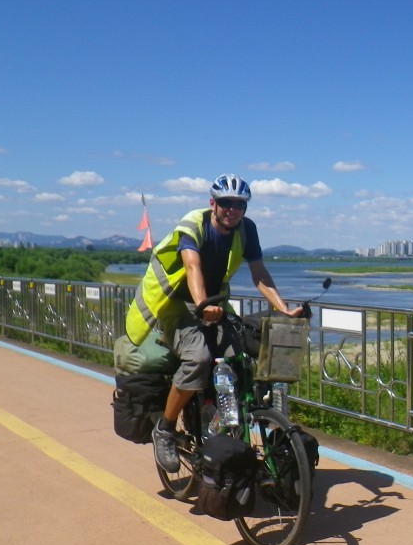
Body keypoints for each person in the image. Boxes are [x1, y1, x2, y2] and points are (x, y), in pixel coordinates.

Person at [124, 173, 303, 472]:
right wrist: (203, 305)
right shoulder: (193, 225)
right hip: (177, 305)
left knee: (243, 357)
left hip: (215, 305)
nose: (232, 209)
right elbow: (192, 267)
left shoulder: (247, 230)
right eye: (226, 203)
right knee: (200, 357)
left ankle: (227, 419)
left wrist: (284, 309)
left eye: (239, 204)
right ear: (213, 204)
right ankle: (165, 429)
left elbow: (259, 273)